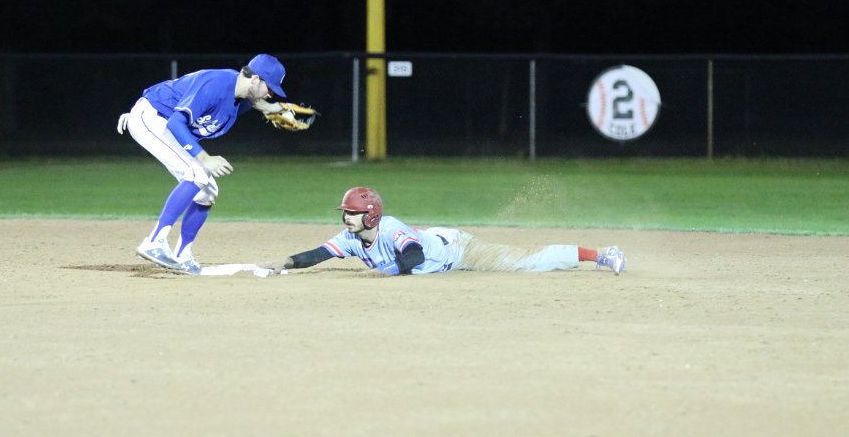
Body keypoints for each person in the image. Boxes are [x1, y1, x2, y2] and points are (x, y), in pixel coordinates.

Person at [117, 54, 290, 275]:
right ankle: (154, 242)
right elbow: (176, 122)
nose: (270, 94)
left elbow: (255, 101)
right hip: (154, 117)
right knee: (197, 172)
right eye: (270, 88)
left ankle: (182, 255)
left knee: (208, 192)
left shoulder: (239, 97)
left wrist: (273, 108)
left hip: (162, 121)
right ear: (255, 79)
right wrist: (206, 158)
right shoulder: (217, 84)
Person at [259, 186, 626, 276]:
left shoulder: (390, 228)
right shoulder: (350, 239)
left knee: (527, 263)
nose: (346, 219)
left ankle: (601, 254)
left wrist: (386, 271)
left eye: (352, 214)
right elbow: (317, 255)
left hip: (457, 249)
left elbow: (414, 256)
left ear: (371, 216)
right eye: (345, 213)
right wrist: (285, 262)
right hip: (434, 240)